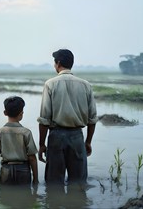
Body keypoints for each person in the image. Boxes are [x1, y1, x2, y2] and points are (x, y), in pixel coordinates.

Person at [37, 49, 97, 185]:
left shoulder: (50, 84)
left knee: (54, 183)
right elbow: (92, 119)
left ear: (58, 63)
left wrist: (41, 144)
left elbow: (44, 119)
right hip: (77, 136)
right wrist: (88, 142)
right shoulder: (86, 85)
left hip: (56, 137)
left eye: (54, 63)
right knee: (78, 183)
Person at [0, 96, 39, 185]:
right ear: (21, 113)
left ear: (5, 113)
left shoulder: (0, 132)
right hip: (23, 170)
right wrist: (35, 179)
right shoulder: (26, 132)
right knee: (25, 196)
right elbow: (32, 158)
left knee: (5, 197)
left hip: (6, 170)